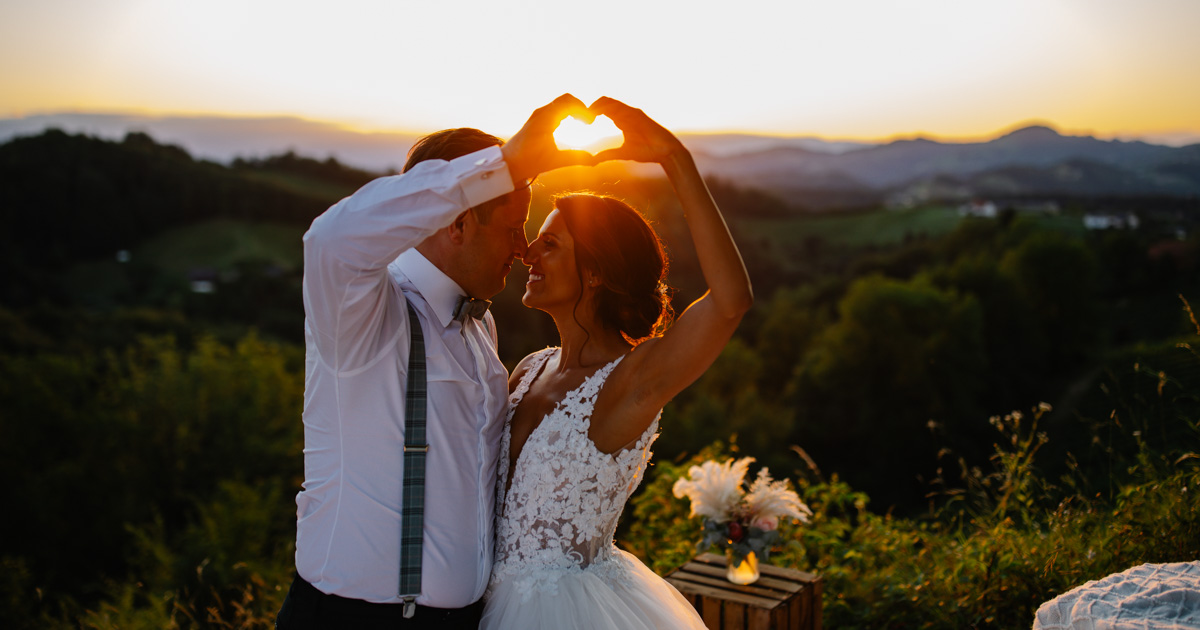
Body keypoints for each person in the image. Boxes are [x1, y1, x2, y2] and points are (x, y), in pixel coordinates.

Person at [276, 95, 599, 629]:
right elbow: (331, 238)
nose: (522, 249)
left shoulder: (481, 324)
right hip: (352, 620)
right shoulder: (365, 315)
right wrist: (506, 164)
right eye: (512, 225)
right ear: (457, 224)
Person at [481, 97, 753, 629]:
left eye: (551, 243)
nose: (529, 254)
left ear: (597, 272)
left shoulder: (629, 382)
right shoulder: (530, 368)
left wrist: (675, 160)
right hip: (481, 598)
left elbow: (729, 301)